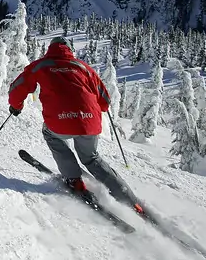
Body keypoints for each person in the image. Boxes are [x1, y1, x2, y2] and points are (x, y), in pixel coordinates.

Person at [8, 36, 141, 212]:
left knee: (50, 135)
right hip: (89, 122)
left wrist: (16, 106)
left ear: (51, 49)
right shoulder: (84, 68)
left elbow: (18, 87)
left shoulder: (40, 65)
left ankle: (74, 181)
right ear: (70, 50)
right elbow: (105, 101)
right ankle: (131, 201)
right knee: (91, 158)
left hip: (59, 121)